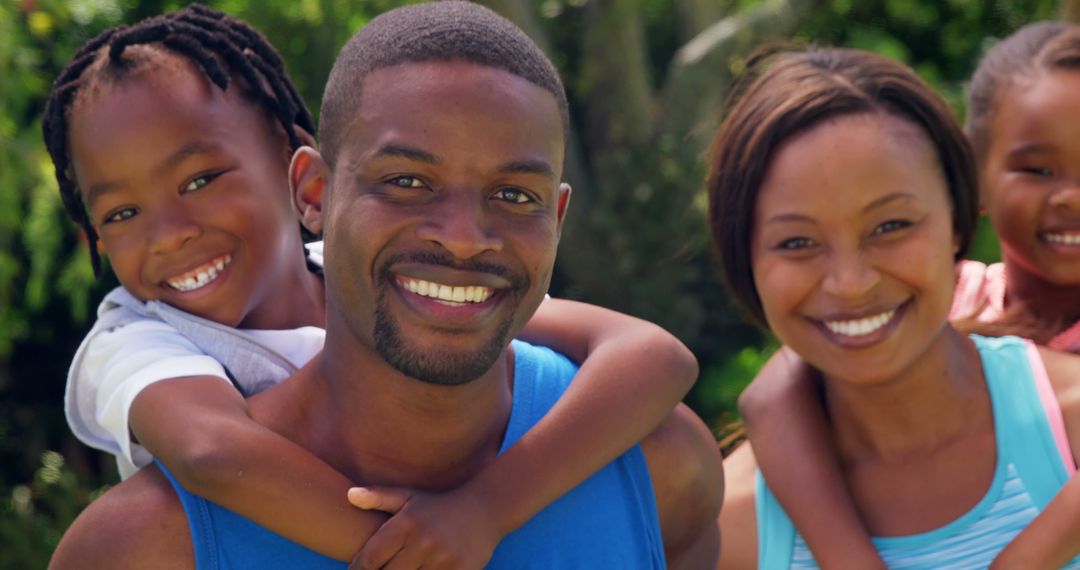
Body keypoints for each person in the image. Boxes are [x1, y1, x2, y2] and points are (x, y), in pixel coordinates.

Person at [48, 2, 724, 569]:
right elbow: (210, 454)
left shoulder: (659, 468)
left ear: (557, 217)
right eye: (406, 181)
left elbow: (650, 353)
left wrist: (485, 512)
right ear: (314, 191)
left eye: (516, 194)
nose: (464, 238)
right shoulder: (143, 522)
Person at [708, 46, 1080, 568]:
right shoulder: (729, 526)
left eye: (891, 226)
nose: (852, 283)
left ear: (957, 217)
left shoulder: (1067, 426)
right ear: (745, 259)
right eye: (796, 242)